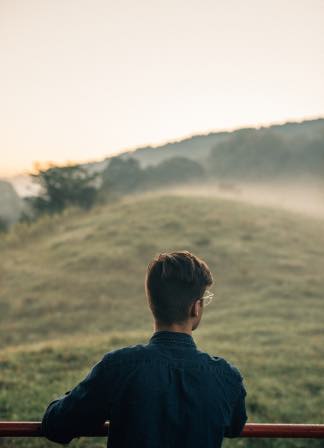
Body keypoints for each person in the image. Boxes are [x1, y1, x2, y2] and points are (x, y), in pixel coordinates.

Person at [41, 250, 247, 447]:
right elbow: (235, 426)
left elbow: (56, 425)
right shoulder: (226, 377)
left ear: (152, 303)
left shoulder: (118, 367)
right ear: (196, 307)